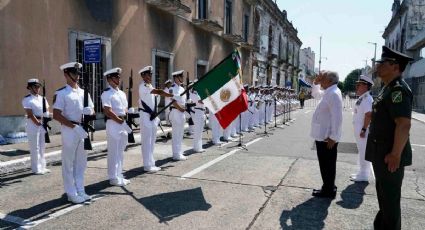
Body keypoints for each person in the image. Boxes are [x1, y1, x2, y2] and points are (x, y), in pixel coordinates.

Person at [365, 46, 414, 230]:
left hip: (389, 154)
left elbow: (404, 124)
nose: (378, 66)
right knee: (385, 197)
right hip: (381, 151)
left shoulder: (398, 90)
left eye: (383, 63)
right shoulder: (388, 88)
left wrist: (395, 154)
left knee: (390, 200)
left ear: (395, 67)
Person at [53, 62, 94, 204]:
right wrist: (73, 126)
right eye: (74, 73)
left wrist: (90, 111)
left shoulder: (84, 92)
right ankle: (71, 192)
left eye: (77, 73)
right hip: (70, 130)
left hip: (82, 129)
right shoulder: (61, 93)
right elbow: (56, 115)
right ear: (66, 74)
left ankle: (80, 189)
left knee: (81, 163)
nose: (77, 76)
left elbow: (92, 110)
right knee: (68, 163)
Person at [310, 71, 343, 198]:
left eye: (323, 78)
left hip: (327, 137)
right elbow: (315, 94)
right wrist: (316, 82)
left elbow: (337, 118)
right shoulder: (329, 91)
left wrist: (333, 137)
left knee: (327, 165)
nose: (321, 80)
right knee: (326, 164)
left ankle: (328, 190)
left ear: (329, 81)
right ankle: (328, 186)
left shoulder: (333, 94)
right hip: (323, 135)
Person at [138, 66, 174, 171]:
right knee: (146, 141)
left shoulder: (149, 86)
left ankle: (151, 163)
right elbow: (158, 92)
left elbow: (154, 101)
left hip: (153, 116)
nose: (149, 76)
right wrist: (170, 94)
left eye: (150, 74)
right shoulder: (143, 86)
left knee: (152, 140)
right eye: (147, 74)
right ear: (143, 76)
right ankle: (147, 165)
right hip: (146, 115)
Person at [101, 67, 132, 186]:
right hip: (113, 123)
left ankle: (119, 174)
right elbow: (107, 110)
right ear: (109, 79)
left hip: (122, 123)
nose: (118, 79)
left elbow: (124, 108)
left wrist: (126, 113)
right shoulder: (106, 93)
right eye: (115, 77)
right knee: (113, 151)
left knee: (121, 151)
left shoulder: (122, 93)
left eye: (118, 77)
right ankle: (113, 177)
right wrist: (119, 120)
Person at [22, 78, 51, 175]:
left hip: (43, 123)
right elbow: (30, 114)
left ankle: (43, 166)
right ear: (30, 87)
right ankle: (36, 168)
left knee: (42, 146)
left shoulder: (43, 99)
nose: (38, 88)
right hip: (32, 124)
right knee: (35, 147)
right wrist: (37, 122)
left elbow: (46, 110)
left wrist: (46, 119)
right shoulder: (27, 99)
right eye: (35, 86)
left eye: (38, 86)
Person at [350, 75, 374, 182]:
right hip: (359, 128)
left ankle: (364, 175)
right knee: (361, 151)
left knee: (364, 151)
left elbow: (369, 115)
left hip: (363, 130)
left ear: (365, 86)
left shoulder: (367, 98)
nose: (357, 87)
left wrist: (364, 129)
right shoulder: (363, 97)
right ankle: (361, 172)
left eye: (359, 85)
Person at [168, 70, 187, 161]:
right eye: (180, 76)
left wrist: (184, 108)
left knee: (180, 133)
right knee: (176, 133)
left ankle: (179, 152)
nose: (182, 78)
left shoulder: (182, 89)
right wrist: (180, 108)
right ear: (176, 78)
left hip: (182, 112)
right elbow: (172, 100)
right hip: (176, 112)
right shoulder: (172, 88)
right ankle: (175, 154)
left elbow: (183, 101)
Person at [190, 86, 206, 153]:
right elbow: (200, 101)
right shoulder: (193, 94)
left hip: (202, 112)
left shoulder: (199, 93)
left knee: (200, 130)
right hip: (198, 112)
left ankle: (199, 146)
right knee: (197, 131)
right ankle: (196, 147)